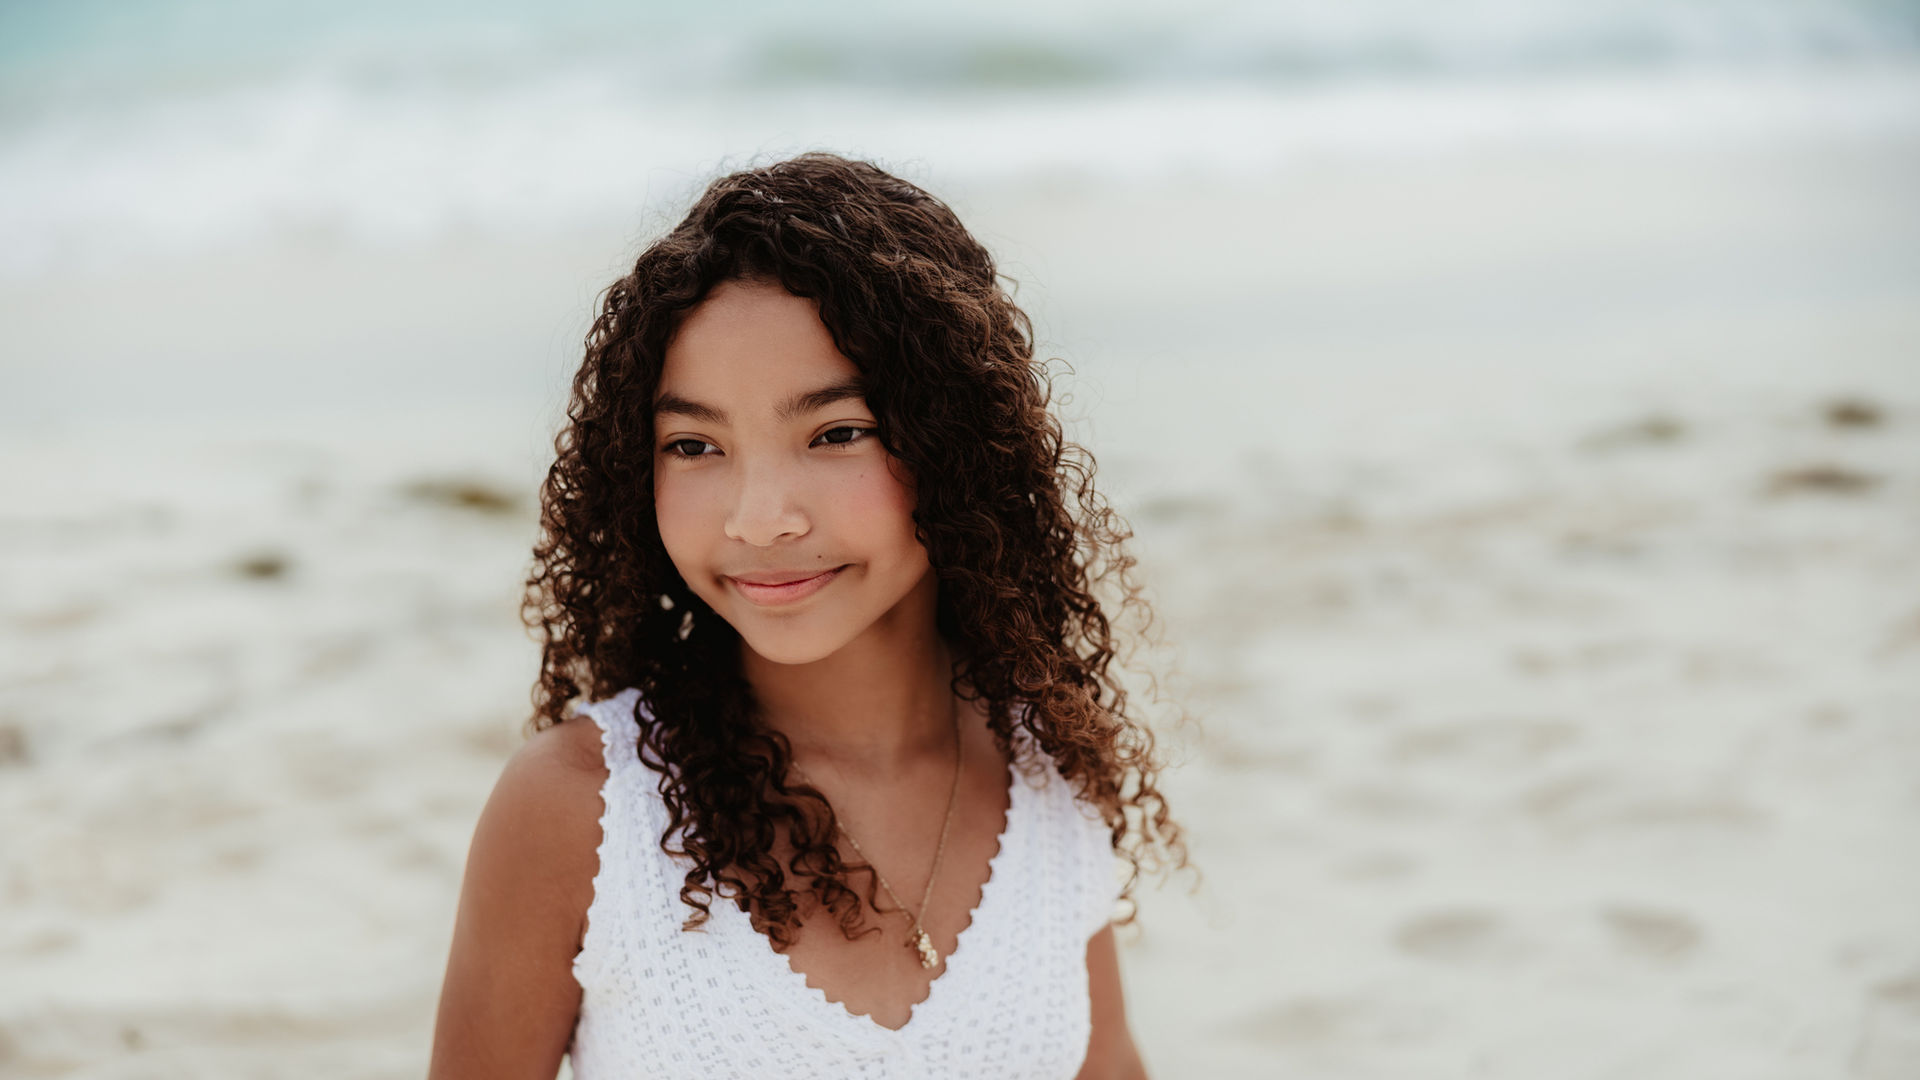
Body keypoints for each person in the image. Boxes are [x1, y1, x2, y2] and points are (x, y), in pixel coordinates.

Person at [428, 153, 1188, 1079]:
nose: (759, 516)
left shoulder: (1044, 771)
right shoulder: (583, 812)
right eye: (695, 445)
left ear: (956, 444)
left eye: (835, 434)